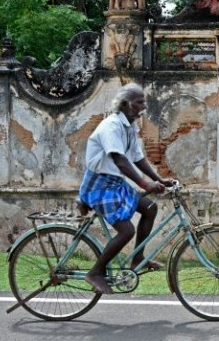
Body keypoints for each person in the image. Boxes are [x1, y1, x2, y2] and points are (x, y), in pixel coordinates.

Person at [78, 83, 174, 294]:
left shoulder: (129, 127)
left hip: (115, 184)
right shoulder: (111, 126)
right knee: (127, 230)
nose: (144, 106)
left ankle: (137, 260)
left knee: (150, 208)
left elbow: (138, 158)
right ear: (125, 104)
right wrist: (145, 184)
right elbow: (120, 160)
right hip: (100, 186)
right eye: (139, 102)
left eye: (144, 101)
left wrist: (160, 179)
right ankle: (95, 272)